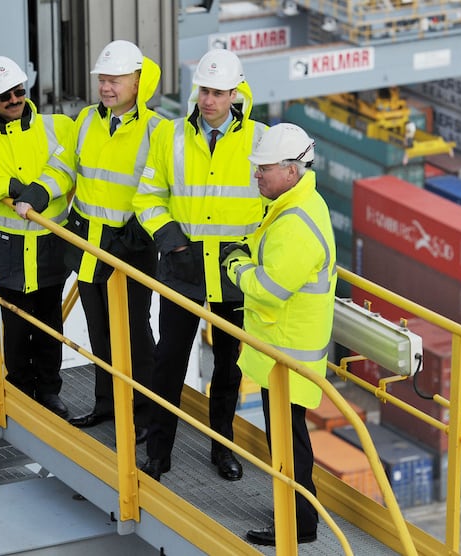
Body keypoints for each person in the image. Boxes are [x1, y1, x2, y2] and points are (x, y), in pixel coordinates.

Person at [132, 48, 267, 481]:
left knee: (228, 368)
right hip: (182, 267)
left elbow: (274, 207)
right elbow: (147, 197)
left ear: (235, 92)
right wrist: (172, 243)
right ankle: (158, 451)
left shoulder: (261, 140)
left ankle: (222, 448)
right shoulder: (169, 136)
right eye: (203, 90)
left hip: (233, 274)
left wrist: (248, 254)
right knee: (168, 361)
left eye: (217, 92)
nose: (208, 100)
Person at [221, 123, 336, 546]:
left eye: (263, 168)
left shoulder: (297, 224)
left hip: (288, 358)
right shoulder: (298, 203)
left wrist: (234, 266)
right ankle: (299, 514)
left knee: (289, 446)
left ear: (291, 171)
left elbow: (270, 291)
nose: (257, 175)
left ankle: (297, 525)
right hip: (284, 352)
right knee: (290, 441)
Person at [0, 56, 74, 418]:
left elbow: (67, 170)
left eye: (18, 91)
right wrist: (3, 185)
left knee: (50, 321)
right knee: (17, 325)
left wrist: (39, 190)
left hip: (50, 243)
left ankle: (50, 393)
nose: (14, 99)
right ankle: (21, 394)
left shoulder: (56, 127)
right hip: (6, 247)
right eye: (4, 95)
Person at [60, 40, 162, 444]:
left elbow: (161, 188)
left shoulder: (157, 131)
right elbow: (67, 170)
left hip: (131, 248)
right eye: (103, 79)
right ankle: (107, 405)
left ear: (137, 82)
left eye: (115, 80)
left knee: (135, 333)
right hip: (89, 246)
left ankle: (144, 414)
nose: (106, 87)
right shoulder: (86, 120)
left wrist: (136, 233)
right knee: (99, 331)